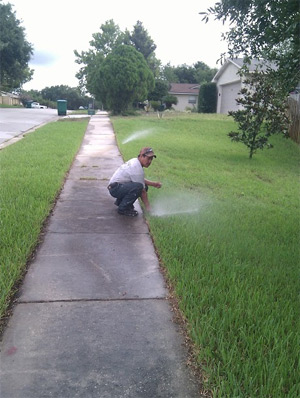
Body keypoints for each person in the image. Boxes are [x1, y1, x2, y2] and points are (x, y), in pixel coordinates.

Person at [107, 147, 162, 217]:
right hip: (116, 189)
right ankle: (123, 209)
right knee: (139, 187)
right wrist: (149, 209)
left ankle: (121, 202)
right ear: (142, 156)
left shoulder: (135, 161)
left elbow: (139, 179)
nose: (150, 161)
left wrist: (154, 184)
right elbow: (142, 191)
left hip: (115, 187)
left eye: (151, 159)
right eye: (148, 158)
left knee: (141, 186)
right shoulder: (136, 168)